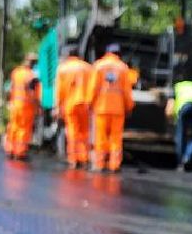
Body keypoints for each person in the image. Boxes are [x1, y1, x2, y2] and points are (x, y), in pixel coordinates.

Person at [89, 42, 134, 172]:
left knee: (101, 136)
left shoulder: (98, 66)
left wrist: (90, 103)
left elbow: (93, 88)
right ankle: (114, 164)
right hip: (118, 109)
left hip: (101, 108)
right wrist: (129, 106)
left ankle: (100, 163)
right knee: (116, 137)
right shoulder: (123, 68)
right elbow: (127, 91)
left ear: (107, 52)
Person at [55, 45, 92, 169]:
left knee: (72, 132)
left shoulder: (63, 68)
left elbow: (59, 90)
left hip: (70, 104)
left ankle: (73, 159)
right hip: (85, 104)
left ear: (68, 55)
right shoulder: (88, 68)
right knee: (84, 132)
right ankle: (84, 157)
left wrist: (57, 107)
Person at [168, 68, 192, 170]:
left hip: (184, 109)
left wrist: (172, 122)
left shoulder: (178, 86)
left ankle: (180, 162)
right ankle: (187, 157)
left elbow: (169, 109)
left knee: (181, 136)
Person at [4, 52, 39, 159]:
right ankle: (20, 152)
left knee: (13, 127)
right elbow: (34, 93)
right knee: (23, 129)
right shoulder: (31, 76)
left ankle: (10, 150)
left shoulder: (16, 72)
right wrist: (37, 106)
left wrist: (9, 102)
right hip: (26, 107)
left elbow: (10, 89)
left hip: (15, 105)